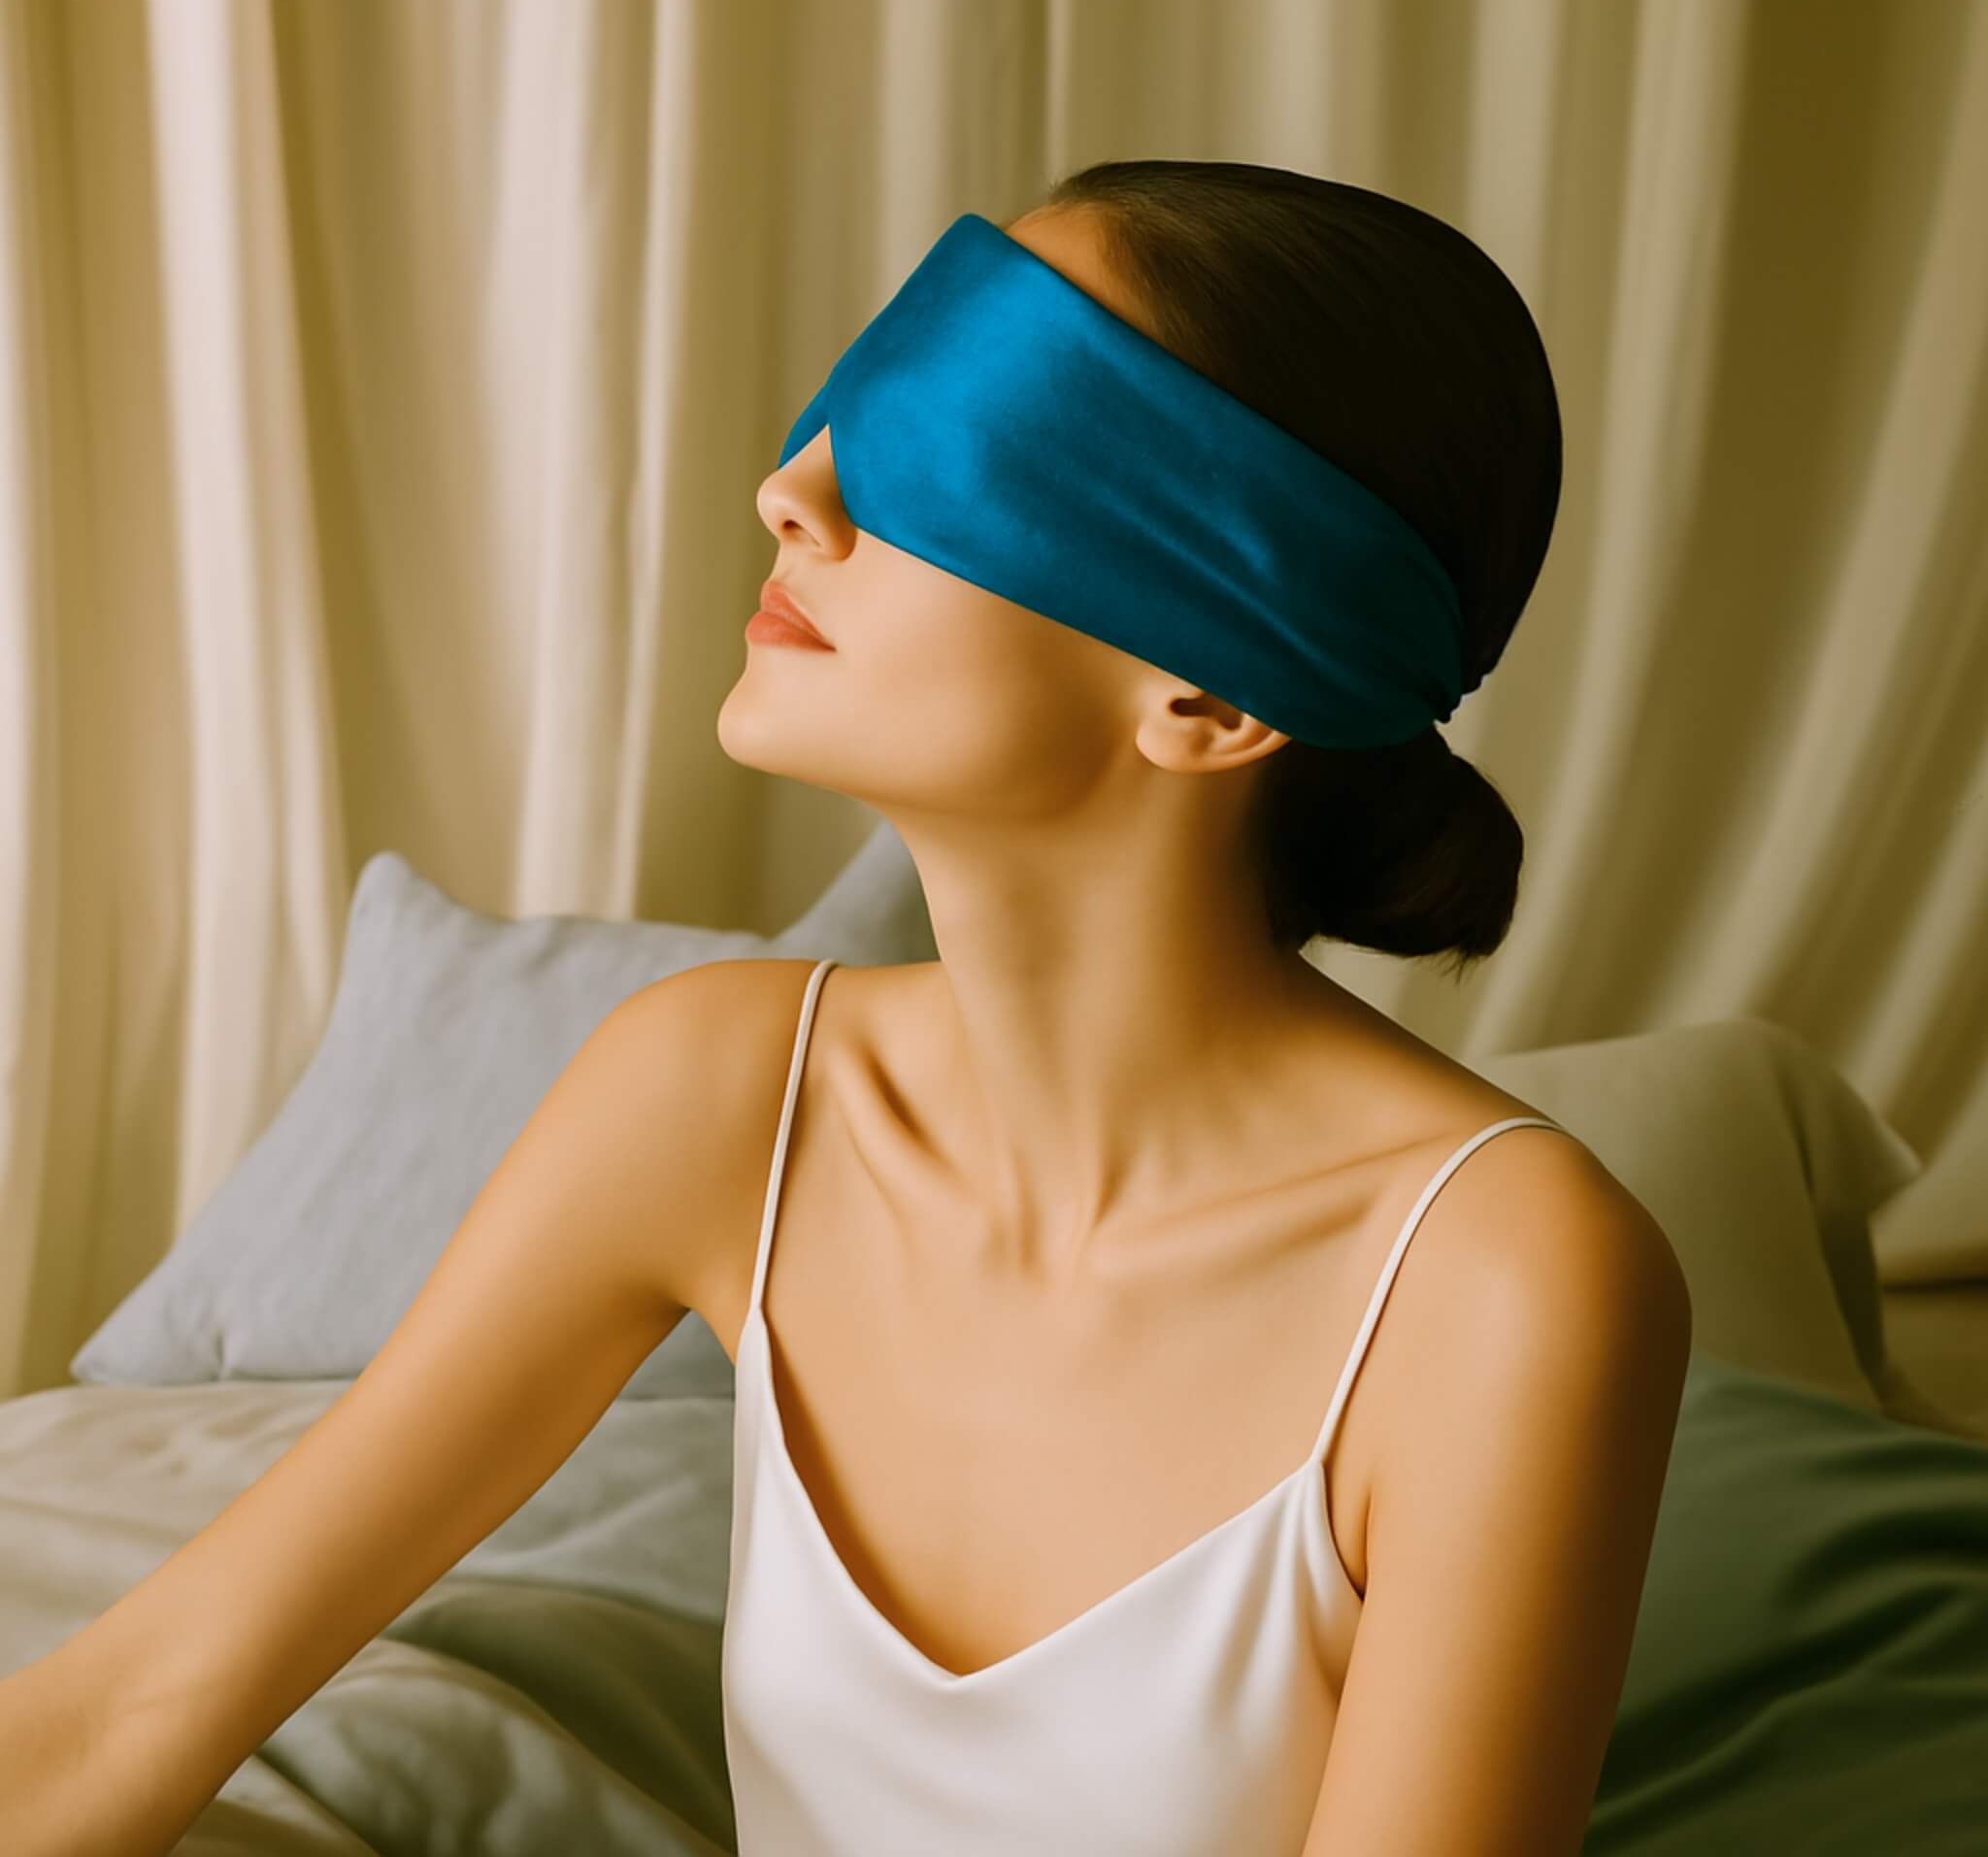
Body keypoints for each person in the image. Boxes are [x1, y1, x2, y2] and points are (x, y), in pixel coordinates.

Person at [0, 161, 1691, 1857]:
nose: (793, 489)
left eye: (951, 444)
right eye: (852, 405)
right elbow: (144, 1699)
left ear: (1213, 692)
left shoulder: (1506, 1288)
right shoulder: (717, 1090)